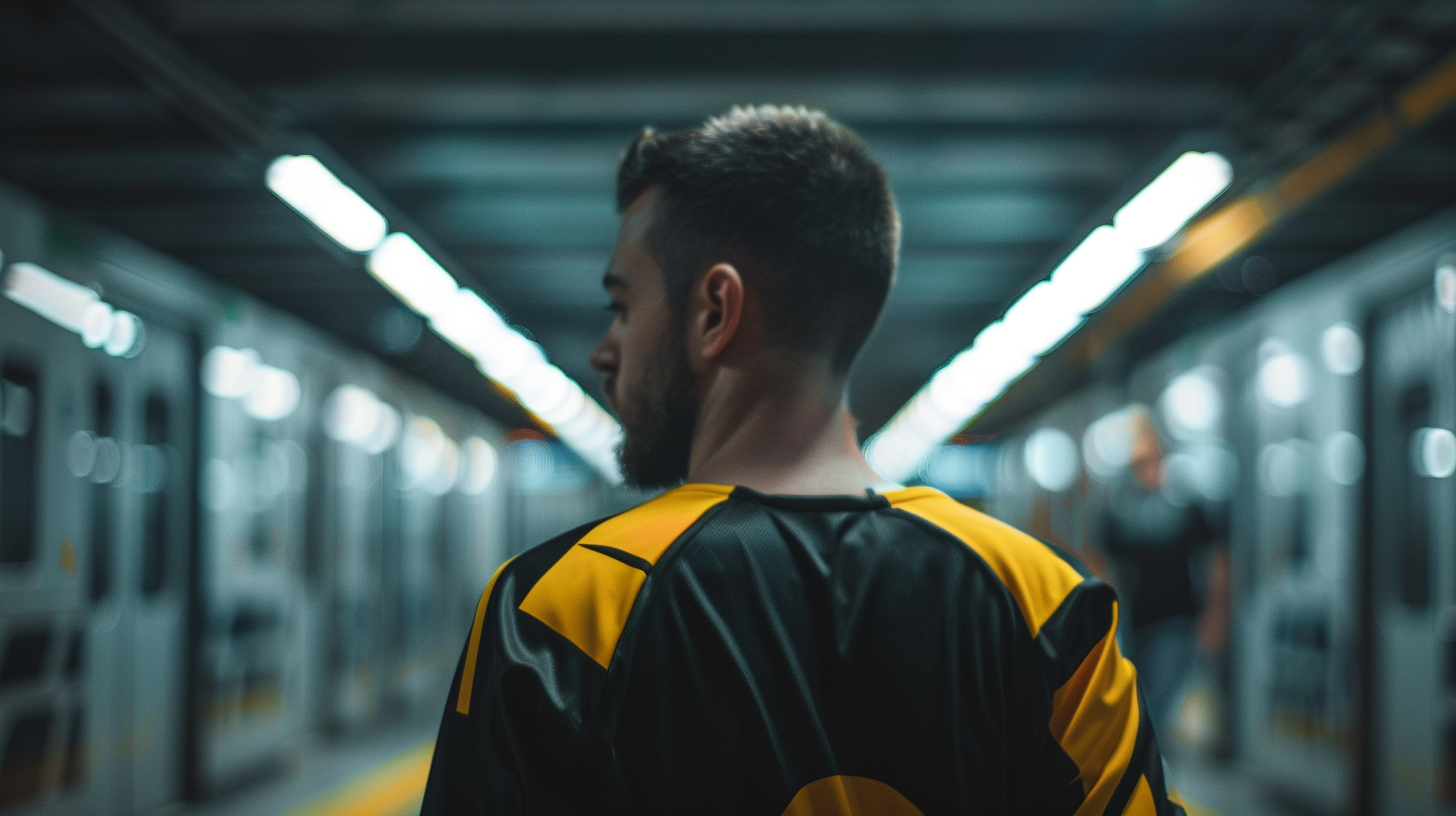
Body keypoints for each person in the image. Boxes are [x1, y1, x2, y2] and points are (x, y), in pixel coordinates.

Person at [421, 106, 1186, 815]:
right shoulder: (1045, 601)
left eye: (623, 307)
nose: (604, 350)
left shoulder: (560, 609)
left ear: (715, 311)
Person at [1100, 407, 1228, 745]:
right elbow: (1106, 564)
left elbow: (1216, 559)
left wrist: (1215, 613)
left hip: (1178, 620)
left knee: (1155, 708)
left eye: (1152, 459)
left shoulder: (1186, 505)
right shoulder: (1122, 511)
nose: (1147, 468)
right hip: (1137, 623)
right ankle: (1154, 779)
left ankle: (1152, 778)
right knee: (1146, 704)